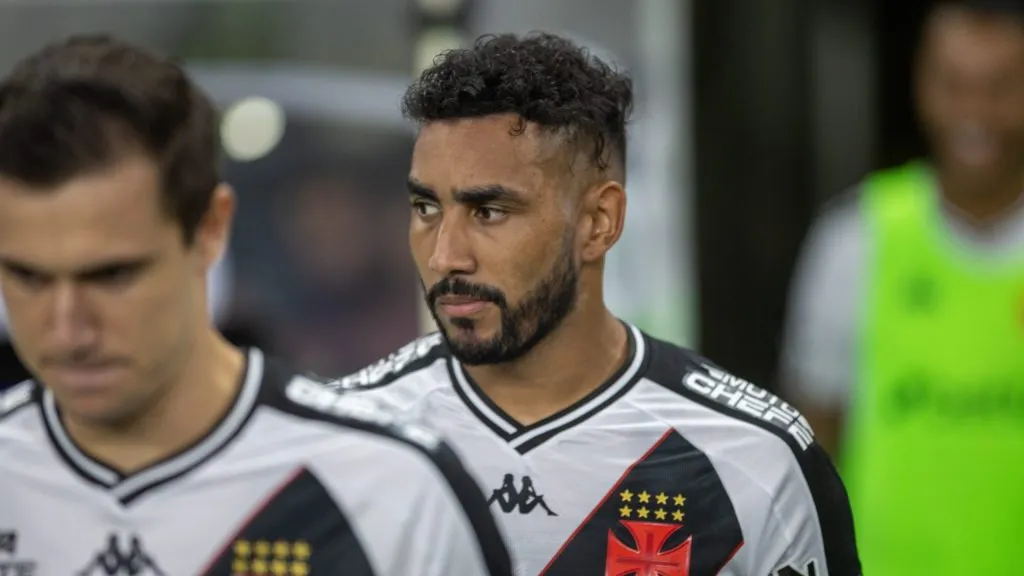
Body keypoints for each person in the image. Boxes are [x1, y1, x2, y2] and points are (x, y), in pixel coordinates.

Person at [331, 32, 860, 576]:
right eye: (426, 207)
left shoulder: (754, 462)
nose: (445, 256)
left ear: (598, 223)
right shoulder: (341, 440)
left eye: (488, 211)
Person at [0, 35, 511, 576]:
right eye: (26, 276)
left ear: (211, 229)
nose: (67, 331)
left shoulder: (392, 493)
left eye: (113, 276)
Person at [779, 1, 1024, 573]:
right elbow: (810, 452)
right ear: (921, 83)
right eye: (954, 84)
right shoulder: (855, 238)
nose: (975, 111)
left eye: (1001, 86)